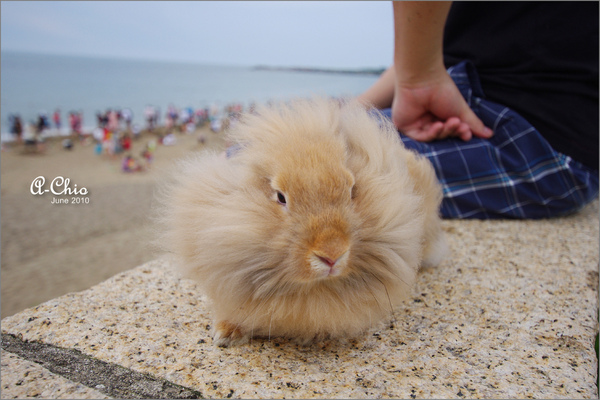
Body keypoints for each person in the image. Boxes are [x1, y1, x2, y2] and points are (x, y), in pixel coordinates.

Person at [357, 1, 598, 219]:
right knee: (326, 145)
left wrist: (420, 79)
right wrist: (353, 109)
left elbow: (421, 66)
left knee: (336, 173)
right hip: (466, 96)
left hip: (540, 137)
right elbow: (426, 54)